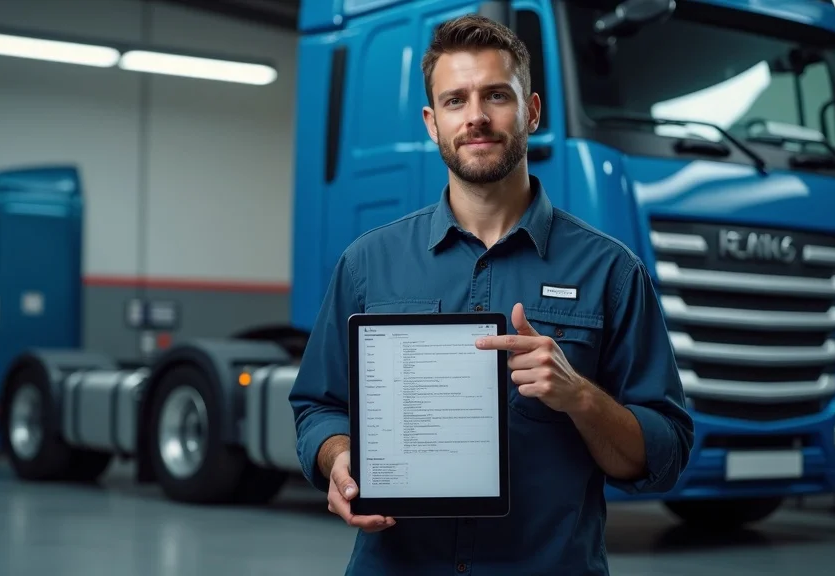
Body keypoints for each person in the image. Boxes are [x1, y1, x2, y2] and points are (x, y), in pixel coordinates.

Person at [288, 13, 694, 575]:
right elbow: (318, 406)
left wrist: (579, 396)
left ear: (532, 111)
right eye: (455, 100)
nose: (476, 116)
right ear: (432, 123)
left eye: (496, 95)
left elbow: (666, 451)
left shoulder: (612, 271)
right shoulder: (366, 264)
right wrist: (338, 458)